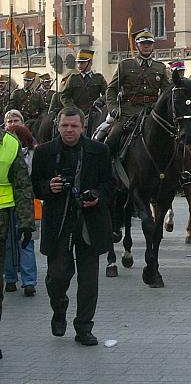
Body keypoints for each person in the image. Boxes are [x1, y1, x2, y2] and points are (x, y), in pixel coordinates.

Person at [31, 106, 113, 346]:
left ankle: (84, 327)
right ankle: (59, 308)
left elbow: (110, 184)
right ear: (57, 126)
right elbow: (35, 185)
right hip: (59, 222)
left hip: (90, 223)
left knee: (89, 281)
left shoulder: (99, 150)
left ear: (83, 127)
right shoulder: (45, 152)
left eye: (74, 126)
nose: (69, 130)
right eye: (65, 125)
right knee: (56, 277)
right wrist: (49, 187)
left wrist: (97, 195)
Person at [0, 114, 35, 360]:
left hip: (3, 219)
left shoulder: (11, 143)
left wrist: (26, 222)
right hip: (126, 110)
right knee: (112, 130)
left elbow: (23, 186)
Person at [105, 30, 170, 156]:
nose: (146, 46)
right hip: (129, 111)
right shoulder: (125, 65)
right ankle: (107, 167)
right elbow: (111, 89)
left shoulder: (160, 67)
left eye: (149, 44)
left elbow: (166, 93)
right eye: (143, 43)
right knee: (113, 137)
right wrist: (113, 108)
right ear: (137, 46)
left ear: (153, 46)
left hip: (152, 112)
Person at [2, 114, 37, 296]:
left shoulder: (26, 147)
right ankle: (10, 278)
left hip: (18, 204)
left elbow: (24, 185)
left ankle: (29, 280)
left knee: (25, 242)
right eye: (10, 121)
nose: (13, 124)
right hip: (7, 204)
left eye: (16, 121)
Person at [60, 49, 108, 115]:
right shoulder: (73, 78)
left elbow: (108, 94)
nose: (79, 65)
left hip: (95, 113)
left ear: (90, 62)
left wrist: (101, 100)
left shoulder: (99, 78)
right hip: (77, 114)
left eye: (82, 63)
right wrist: (73, 109)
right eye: (78, 62)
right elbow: (64, 96)